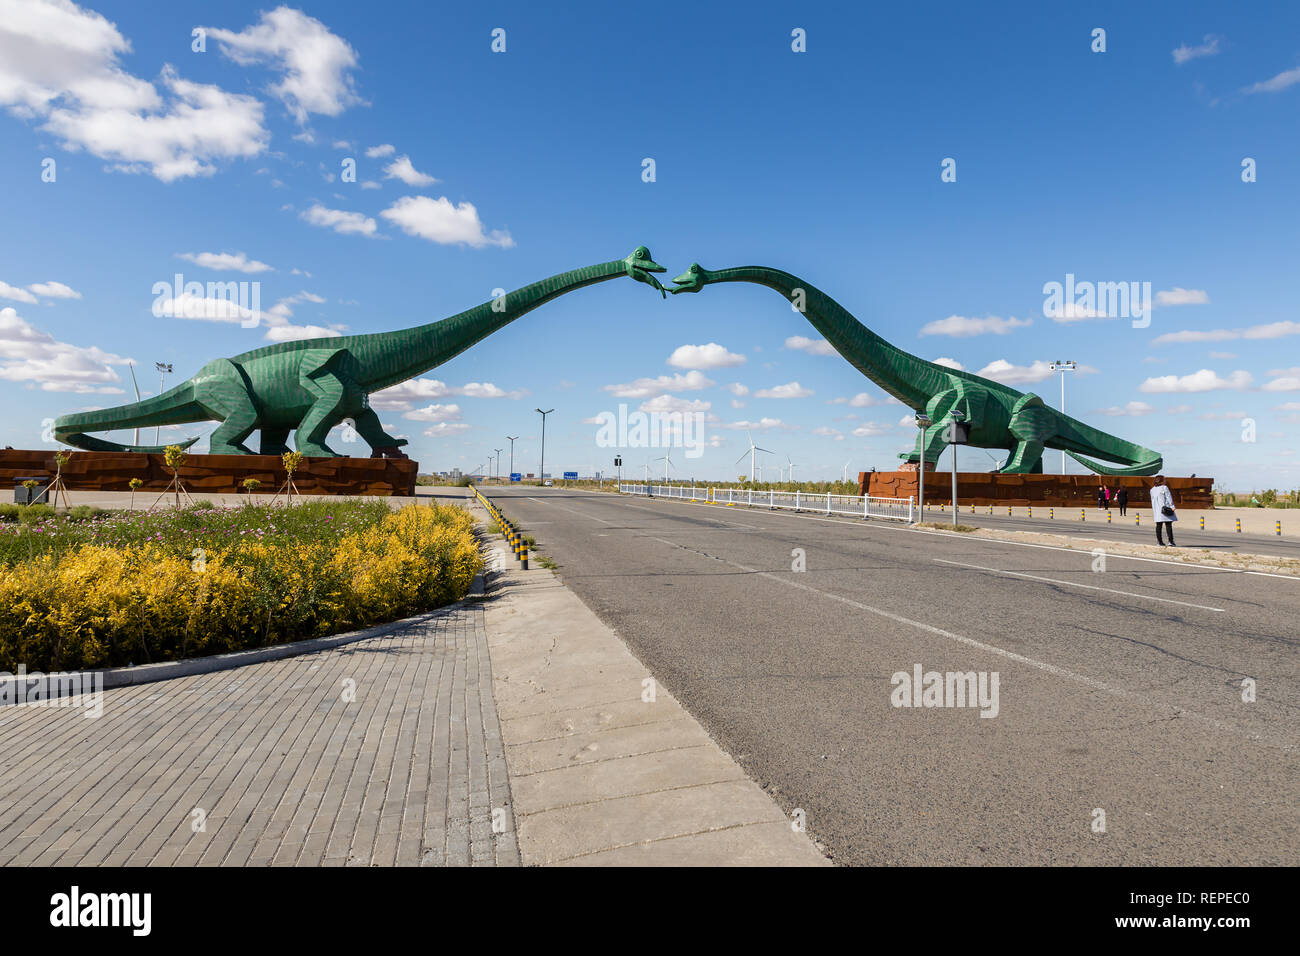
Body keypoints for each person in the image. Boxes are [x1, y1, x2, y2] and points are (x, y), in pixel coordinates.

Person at [1150, 475, 1177, 546]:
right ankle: (1170, 541)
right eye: (1164, 479)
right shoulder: (1164, 488)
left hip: (1157, 510)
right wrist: (1172, 506)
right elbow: (1169, 498)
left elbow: (1152, 501)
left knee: (1158, 526)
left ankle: (1159, 542)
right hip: (1165, 509)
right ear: (1161, 480)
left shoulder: (1152, 490)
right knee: (1168, 525)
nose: (1165, 480)